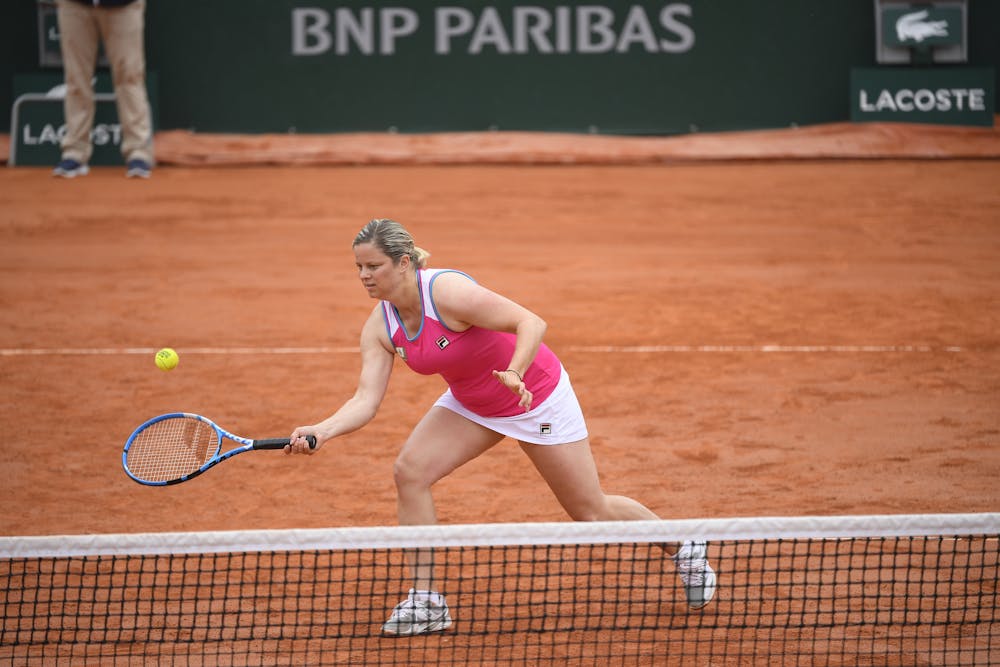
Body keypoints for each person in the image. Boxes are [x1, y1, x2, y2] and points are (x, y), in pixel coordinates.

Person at [287, 218, 716, 636]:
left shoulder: (447, 293)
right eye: (358, 267)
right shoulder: (382, 325)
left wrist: (514, 371)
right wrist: (323, 429)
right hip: (473, 403)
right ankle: (427, 601)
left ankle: (685, 549)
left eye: (373, 266)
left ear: (403, 263)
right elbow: (365, 399)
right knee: (410, 472)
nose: (364, 276)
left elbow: (531, 322)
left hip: (535, 395)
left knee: (589, 510)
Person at [52, 0, 154, 179]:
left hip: (124, 5)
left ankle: (138, 152)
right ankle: (75, 152)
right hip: (75, 5)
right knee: (76, 78)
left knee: (129, 76)